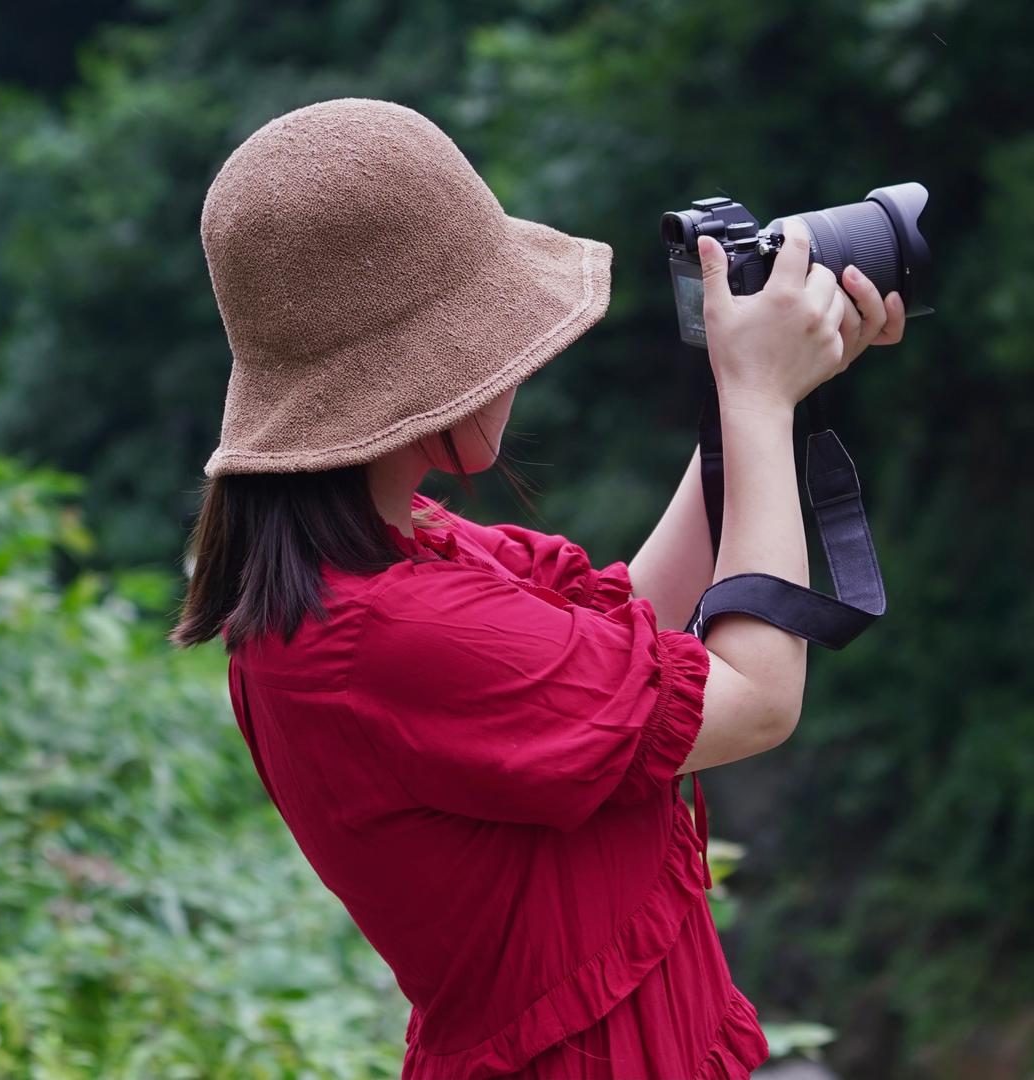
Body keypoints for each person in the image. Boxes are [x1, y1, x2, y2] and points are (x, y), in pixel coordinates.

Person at [170, 98, 906, 1079]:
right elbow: (754, 701)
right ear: (422, 386)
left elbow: (630, 644)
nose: (515, 368)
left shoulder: (394, 553)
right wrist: (761, 403)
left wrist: (758, 397)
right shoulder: (386, 631)